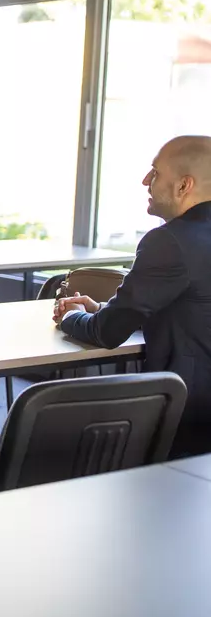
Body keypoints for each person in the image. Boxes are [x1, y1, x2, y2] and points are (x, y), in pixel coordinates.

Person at [55, 135, 211, 457]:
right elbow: (195, 310)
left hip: (187, 417)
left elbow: (107, 331)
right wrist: (100, 309)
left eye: (155, 173)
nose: (145, 181)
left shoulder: (168, 241)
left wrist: (71, 317)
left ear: (184, 186)